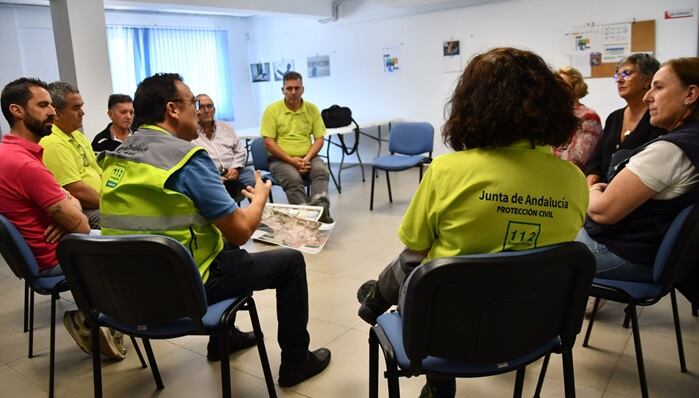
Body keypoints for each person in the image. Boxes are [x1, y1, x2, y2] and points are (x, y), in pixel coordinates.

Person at [356, 48, 589, 398]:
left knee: (418, 260)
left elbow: (415, 251)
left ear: (472, 105)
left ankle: (427, 366)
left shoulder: (447, 171)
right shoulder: (573, 179)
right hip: (533, 327)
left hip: (443, 334)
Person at [99, 73, 331, 387]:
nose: (199, 110)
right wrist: (260, 200)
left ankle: (225, 339)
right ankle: (296, 363)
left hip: (126, 293)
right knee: (290, 263)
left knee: (225, 246)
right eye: (193, 103)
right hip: (182, 287)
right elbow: (240, 231)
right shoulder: (187, 160)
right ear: (173, 110)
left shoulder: (115, 156)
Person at [0, 77, 126, 360]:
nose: (53, 113)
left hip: (42, 252)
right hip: (57, 255)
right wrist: (68, 207)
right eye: (43, 105)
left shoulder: (8, 152)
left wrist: (65, 207)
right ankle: (99, 318)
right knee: (138, 242)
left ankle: (97, 313)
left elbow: (68, 203)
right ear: (16, 111)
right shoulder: (24, 164)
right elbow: (80, 225)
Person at [579, 57, 699, 282]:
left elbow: (603, 212)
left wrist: (591, 191)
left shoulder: (668, 150)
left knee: (541, 248)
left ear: (690, 94)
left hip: (626, 253)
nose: (648, 96)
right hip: (653, 253)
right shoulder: (691, 139)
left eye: (659, 87)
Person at [261, 71, 333, 223]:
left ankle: (321, 211)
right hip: (280, 159)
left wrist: (306, 159)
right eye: (289, 88)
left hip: (308, 157)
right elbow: (268, 142)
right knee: (293, 179)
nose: (293, 92)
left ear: (302, 89)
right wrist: (292, 161)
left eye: (297, 88)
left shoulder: (312, 109)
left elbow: (319, 139)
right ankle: (305, 218)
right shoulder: (272, 110)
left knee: (321, 171)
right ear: (283, 90)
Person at [585, 54, 665, 186]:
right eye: (617, 75)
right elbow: (596, 158)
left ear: (648, 80)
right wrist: (592, 179)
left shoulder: (658, 119)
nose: (619, 80)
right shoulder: (614, 117)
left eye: (627, 74)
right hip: (600, 191)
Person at [40, 82, 102, 229]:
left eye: (81, 106)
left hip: (100, 201)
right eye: (76, 108)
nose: (82, 112)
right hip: (86, 208)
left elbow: (100, 173)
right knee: (129, 220)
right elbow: (76, 190)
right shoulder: (52, 142)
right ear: (56, 112)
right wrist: (113, 204)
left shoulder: (77, 135)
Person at [192, 93, 255, 203]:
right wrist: (212, 176)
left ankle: (252, 212)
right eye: (201, 107)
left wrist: (235, 168)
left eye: (209, 106)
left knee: (251, 178)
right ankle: (228, 211)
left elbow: (240, 151)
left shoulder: (226, 128)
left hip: (233, 171)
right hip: (209, 175)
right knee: (212, 190)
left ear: (214, 110)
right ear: (194, 110)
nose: (206, 110)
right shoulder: (190, 133)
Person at [553, 66, 604, 169]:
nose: (557, 88)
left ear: (576, 87)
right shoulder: (552, 113)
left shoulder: (589, 116)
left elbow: (578, 158)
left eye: (562, 84)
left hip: (572, 175)